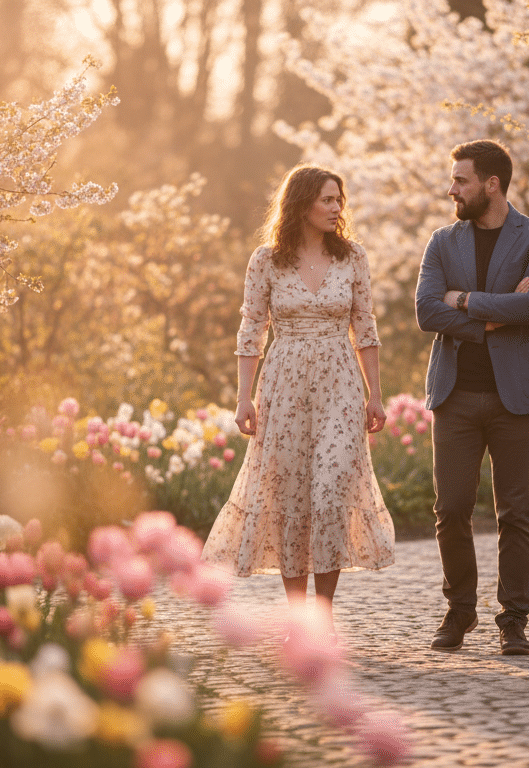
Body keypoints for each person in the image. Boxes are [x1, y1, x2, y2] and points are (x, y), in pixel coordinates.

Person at [202, 164, 396, 639]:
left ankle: (322, 615)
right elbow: (251, 329)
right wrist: (244, 397)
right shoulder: (266, 261)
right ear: (302, 203)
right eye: (327, 200)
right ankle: (297, 619)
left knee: (330, 493)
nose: (336, 208)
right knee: (290, 498)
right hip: (283, 385)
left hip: (340, 386)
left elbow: (365, 327)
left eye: (339, 201)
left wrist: (375, 395)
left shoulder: (353, 258)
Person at [414, 139, 529, 655]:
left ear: (491, 184)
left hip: (516, 397)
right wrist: (490, 318)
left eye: (461, 180)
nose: (451, 188)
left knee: (515, 514)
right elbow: (427, 312)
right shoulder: (441, 241)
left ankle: (513, 620)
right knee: (450, 509)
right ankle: (460, 612)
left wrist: (465, 301)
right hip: (454, 396)